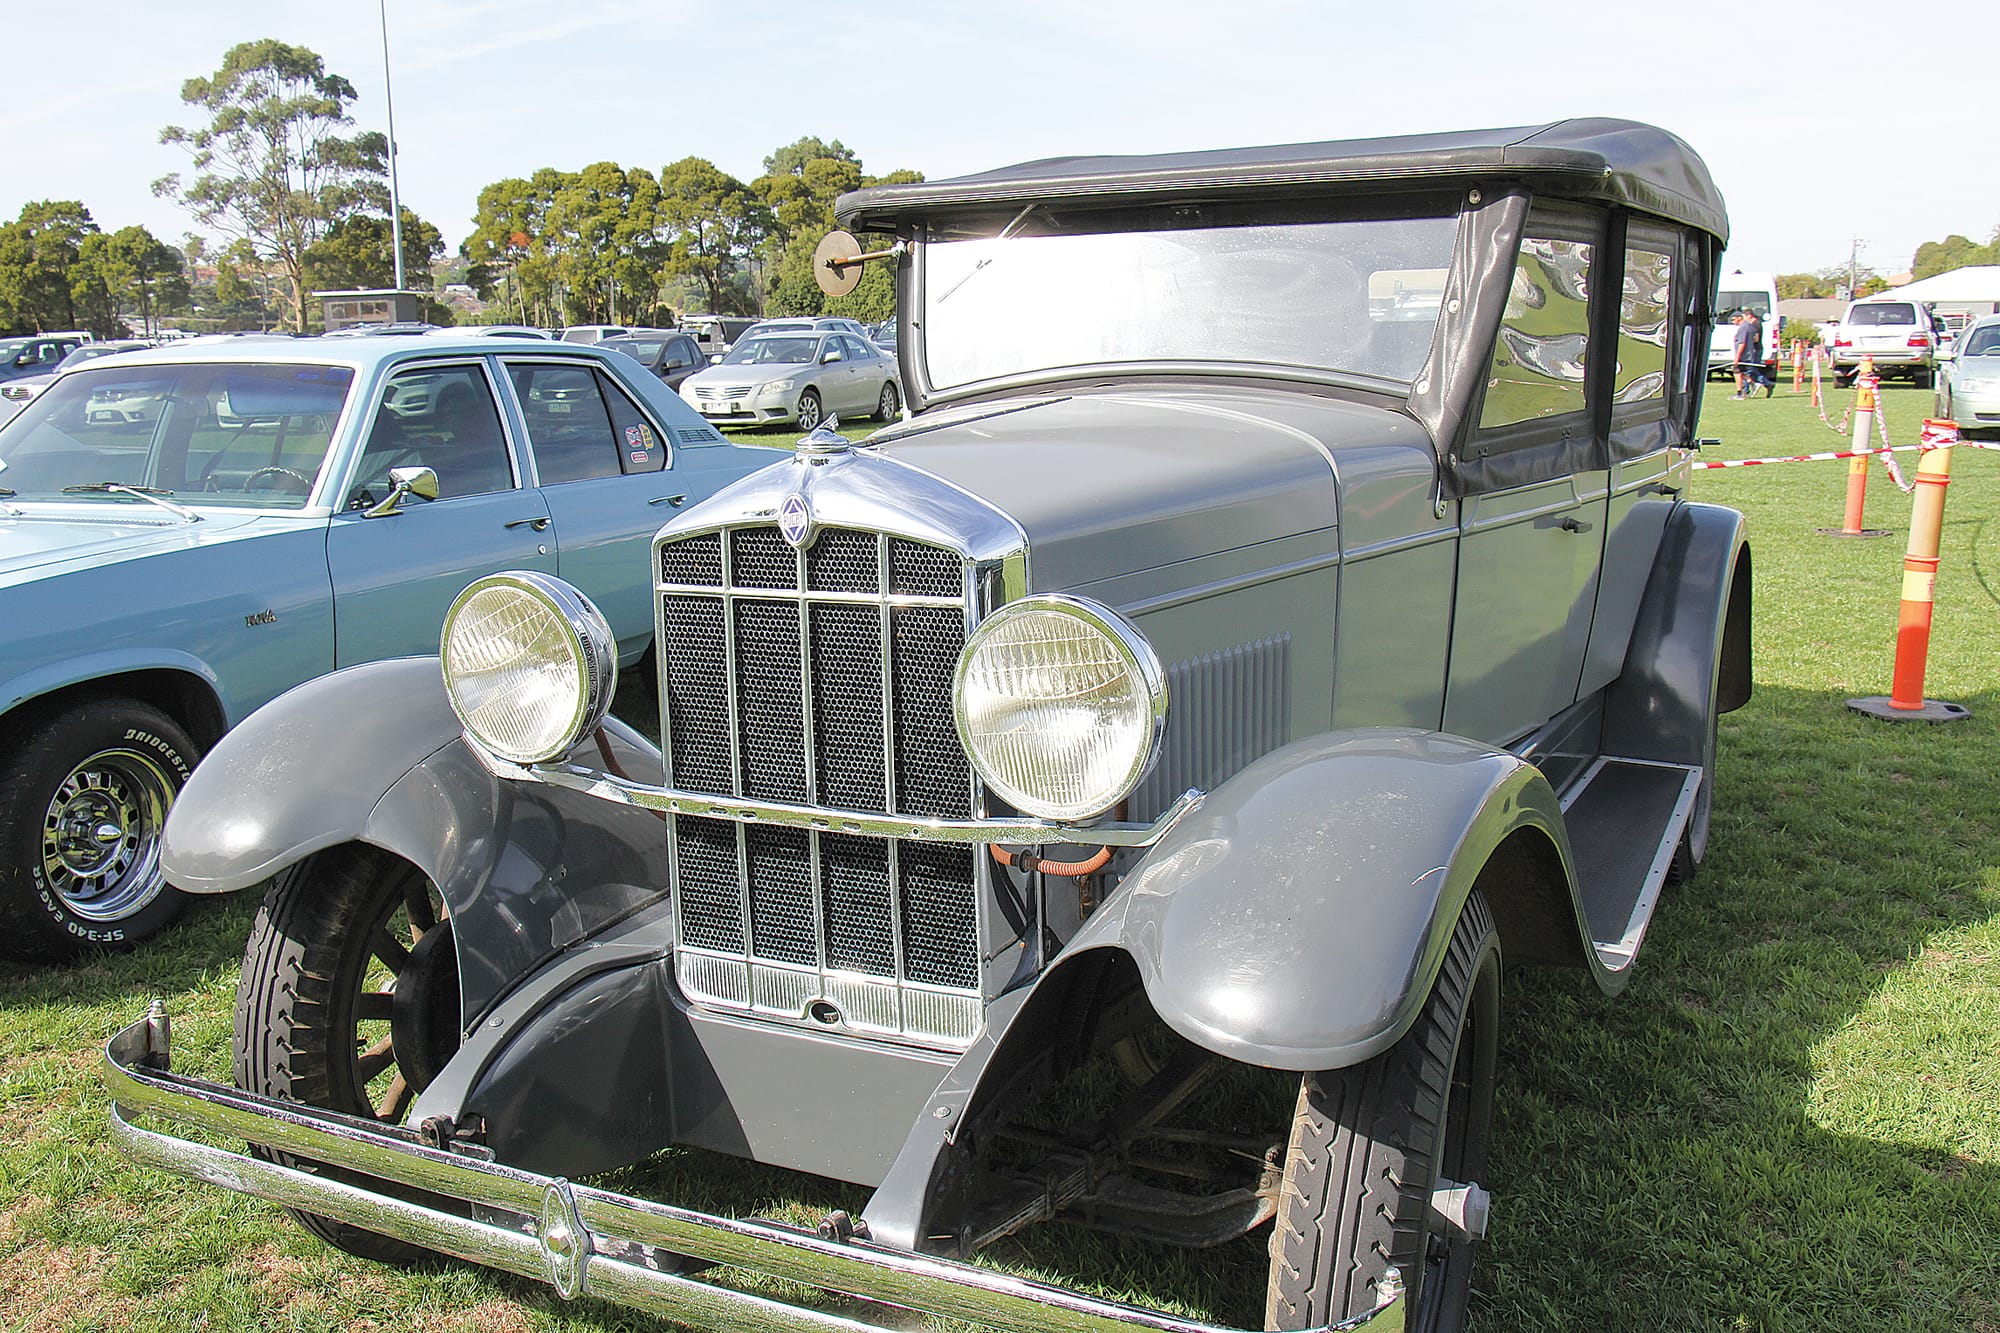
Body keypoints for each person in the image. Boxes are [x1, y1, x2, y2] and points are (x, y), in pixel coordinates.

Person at [1732, 309, 1773, 398]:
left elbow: (1744, 342)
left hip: (1748, 354)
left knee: (1744, 372)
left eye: (1733, 319)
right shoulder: (1750, 326)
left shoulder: (1751, 326)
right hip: (1750, 353)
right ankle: (1751, 386)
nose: (1732, 321)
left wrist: (1737, 356)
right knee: (1744, 372)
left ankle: (1745, 391)